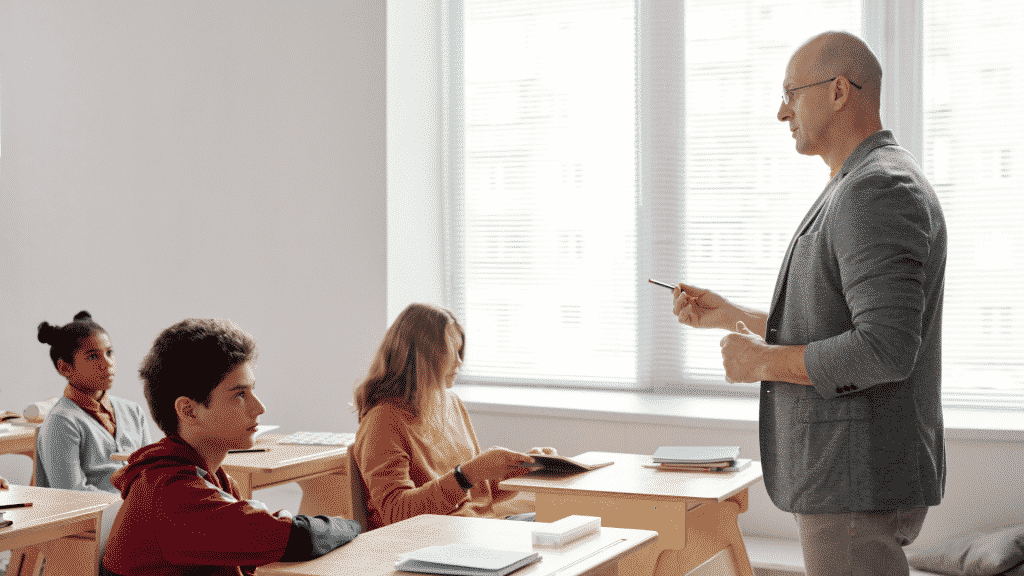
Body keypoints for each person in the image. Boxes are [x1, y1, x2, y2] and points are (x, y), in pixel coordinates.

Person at [671, 31, 946, 576]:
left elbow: (885, 349)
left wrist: (763, 362)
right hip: (851, 476)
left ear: (839, 91)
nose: (781, 111)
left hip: (853, 477)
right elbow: (830, 320)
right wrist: (730, 316)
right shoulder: (859, 182)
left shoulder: (876, 189)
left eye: (791, 93)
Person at [101, 318, 360, 576]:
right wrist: (352, 526)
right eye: (239, 394)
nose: (259, 408)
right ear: (189, 411)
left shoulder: (214, 478)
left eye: (251, 391)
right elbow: (295, 538)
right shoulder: (171, 493)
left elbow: (261, 540)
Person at [352, 303, 555, 529]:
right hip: (438, 538)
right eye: (451, 352)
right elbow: (397, 513)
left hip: (478, 527)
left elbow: (477, 494)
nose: (459, 362)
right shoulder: (383, 421)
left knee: (576, 523)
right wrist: (466, 474)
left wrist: (522, 468)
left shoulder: (451, 403)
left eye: (460, 352)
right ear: (421, 357)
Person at [35, 311, 153, 493]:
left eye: (109, 352)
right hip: (99, 519)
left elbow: (151, 472)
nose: (108, 363)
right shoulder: (61, 421)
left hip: (141, 513)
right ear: (65, 367)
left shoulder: (133, 411)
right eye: (93, 356)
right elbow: (72, 494)